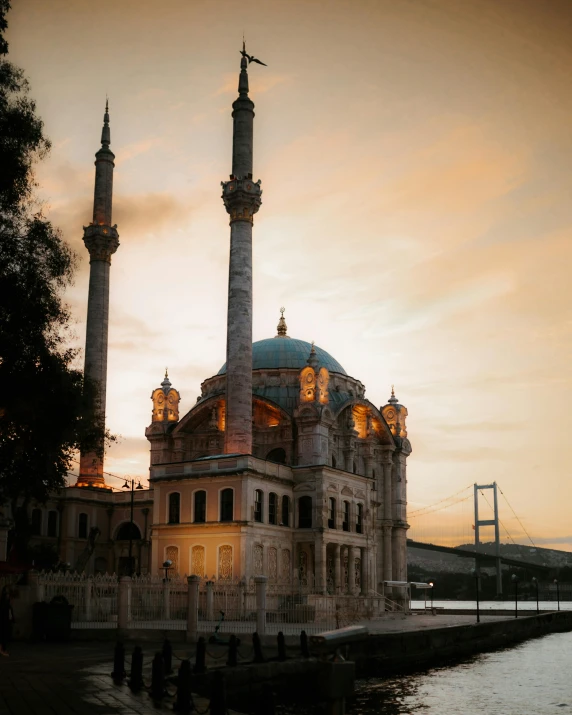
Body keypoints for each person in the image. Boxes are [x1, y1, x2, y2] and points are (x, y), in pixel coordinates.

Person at [0, 586, 14, 656]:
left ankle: (2, 649)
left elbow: (10, 612)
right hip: (4, 621)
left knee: (4, 635)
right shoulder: (4, 603)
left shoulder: (6, 603)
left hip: (6, 621)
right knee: (3, 636)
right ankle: (2, 649)